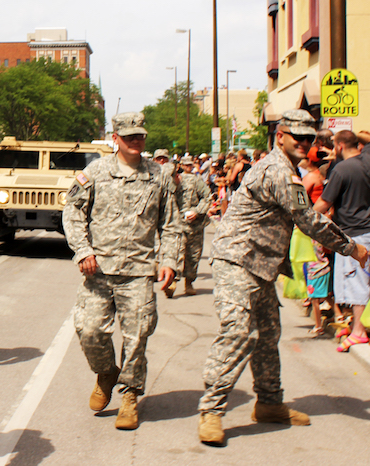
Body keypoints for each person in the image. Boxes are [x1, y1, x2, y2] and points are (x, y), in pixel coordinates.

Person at [197, 110, 368, 447]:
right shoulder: (278, 170)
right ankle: (211, 411)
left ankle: (270, 403)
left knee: (268, 336)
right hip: (238, 260)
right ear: (280, 137)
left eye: (310, 138)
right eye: (298, 137)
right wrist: (352, 248)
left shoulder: (290, 170)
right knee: (237, 334)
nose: (306, 143)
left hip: (260, 264)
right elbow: (308, 220)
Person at [63, 112, 182, 431]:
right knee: (89, 332)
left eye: (140, 136)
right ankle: (105, 371)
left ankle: (129, 396)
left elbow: (171, 225)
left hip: (139, 272)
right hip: (98, 271)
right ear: (114, 138)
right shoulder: (96, 172)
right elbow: (72, 213)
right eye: (128, 136)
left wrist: (170, 261)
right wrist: (83, 250)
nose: (136, 141)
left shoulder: (159, 175)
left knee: (137, 336)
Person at [314, 130, 370, 352]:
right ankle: (353, 324)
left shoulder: (343, 169)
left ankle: (358, 331)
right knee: (357, 281)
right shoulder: (365, 164)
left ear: (338, 146)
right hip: (364, 230)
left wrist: (302, 218)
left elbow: (324, 203)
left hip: (353, 234)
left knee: (354, 282)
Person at [169, 155, 211, 297]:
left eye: (190, 165)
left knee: (193, 255)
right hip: (178, 224)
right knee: (176, 253)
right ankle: (173, 280)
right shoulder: (174, 180)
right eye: (185, 165)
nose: (188, 167)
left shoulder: (197, 181)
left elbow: (207, 197)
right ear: (181, 165)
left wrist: (197, 211)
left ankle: (189, 282)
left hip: (195, 225)